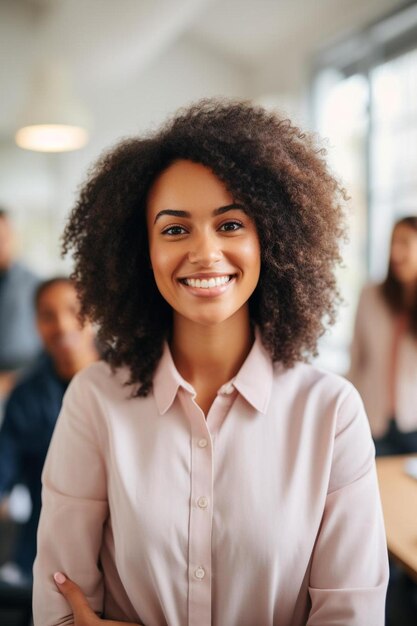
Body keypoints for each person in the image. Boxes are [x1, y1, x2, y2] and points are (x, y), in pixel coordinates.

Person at [33, 100, 389, 626]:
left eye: (230, 224)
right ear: (141, 250)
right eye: (175, 230)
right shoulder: (94, 401)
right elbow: (60, 613)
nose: (204, 252)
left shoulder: (332, 414)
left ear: (271, 237)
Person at [0, 277, 99, 583]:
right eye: (48, 315)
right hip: (44, 554)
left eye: (74, 310)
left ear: (94, 314)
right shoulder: (26, 395)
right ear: (36, 324)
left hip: (120, 552)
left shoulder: (130, 382)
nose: (62, 325)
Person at [348, 216, 417, 456]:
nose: (396, 252)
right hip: (373, 418)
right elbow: (356, 358)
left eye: (405, 243)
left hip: (413, 420)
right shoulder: (370, 295)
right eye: (393, 243)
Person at [0, 208, 41, 399]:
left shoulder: (34, 286)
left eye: (4, 238)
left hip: (21, 381)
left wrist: (11, 381)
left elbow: (43, 350)